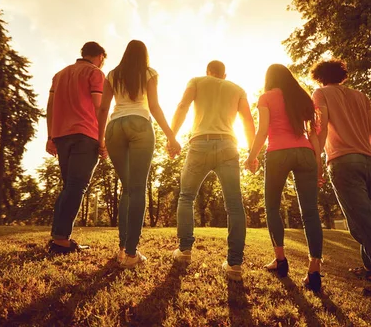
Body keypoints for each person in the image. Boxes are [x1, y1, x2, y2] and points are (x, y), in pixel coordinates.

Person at [310, 59, 371, 302]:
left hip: (343, 162)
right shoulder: (361, 96)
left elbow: (320, 130)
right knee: (368, 220)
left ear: (319, 77)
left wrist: (317, 161)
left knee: (363, 226)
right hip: (368, 162)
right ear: (342, 75)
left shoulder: (320, 93)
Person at [97, 40, 181, 269]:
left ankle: (123, 249)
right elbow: (154, 106)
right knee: (137, 188)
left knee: (127, 188)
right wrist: (171, 136)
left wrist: (100, 138)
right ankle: (132, 254)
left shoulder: (113, 74)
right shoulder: (150, 73)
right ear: (144, 55)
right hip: (140, 125)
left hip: (114, 127)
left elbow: (103, 108)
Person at [170, 60, 255, 281]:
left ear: (208, 72)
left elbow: (182, 106)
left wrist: (172, 136)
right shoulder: (237, 89)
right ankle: (235, 264)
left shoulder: (196, 81)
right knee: (234, 204)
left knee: (186, 197)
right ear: (224, 75)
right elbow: (247, 120)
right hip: (229, 145)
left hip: (200, 143)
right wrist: (253, 153)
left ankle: (185, 250)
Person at [244, 64, 324, 292]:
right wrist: (317, 163)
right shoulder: (303, 98)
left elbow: (263, 130)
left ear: (269, 79)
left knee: (271, 207)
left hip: (278, 153)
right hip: (306, 153)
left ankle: (280, 260)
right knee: (310, 212)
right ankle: (314, 270)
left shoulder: (266, 97)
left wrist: (252, 156)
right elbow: (313, 135)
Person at [46, 41, 108, 254]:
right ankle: (61, 240)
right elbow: (100, 107)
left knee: (69, 187)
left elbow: (50, 106)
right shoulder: (96, 73)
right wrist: (103, 140)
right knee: (76, 187)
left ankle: (57, 237)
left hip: (61, 135)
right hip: (86, 135)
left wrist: (50, 136)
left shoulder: (60, 74)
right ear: (100, 56)